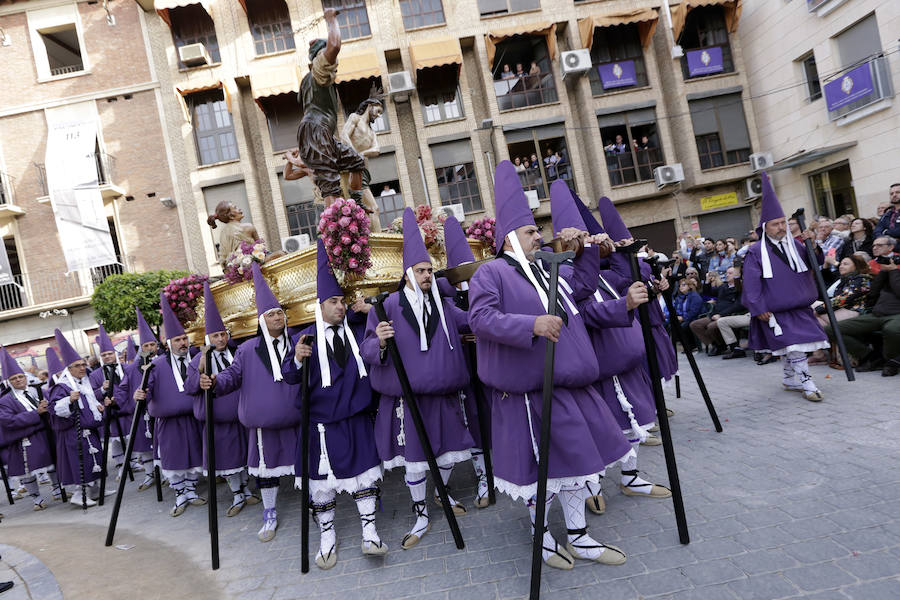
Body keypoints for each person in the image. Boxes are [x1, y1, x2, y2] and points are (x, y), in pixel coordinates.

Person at [468, 162, 633, 571]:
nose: (538, 235)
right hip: (527, 394)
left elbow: (580, 298)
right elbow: (480, 320)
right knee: (537, 473)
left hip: (568, 389)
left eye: (536, 229)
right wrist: (531, 325)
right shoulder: (490, 273)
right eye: (530, 231)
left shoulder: (547, 270)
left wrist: (615, 289)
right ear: (509, 238)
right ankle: (540, 537)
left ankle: (578, 537)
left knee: (577, 466)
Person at [359, 207, 474, 550]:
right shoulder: (388, 306)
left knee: (447, 451)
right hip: (406, 400)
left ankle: (443, 493)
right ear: (408, 274)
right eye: (422, 270)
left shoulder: (442, 304)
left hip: (443, 394)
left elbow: (471, 320)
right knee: (414, 457)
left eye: (430, 270)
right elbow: (365, 349)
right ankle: (421, 512)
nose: (428, 275)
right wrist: (378, 340)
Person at [556, 186, 671, 515]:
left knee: (632, 423)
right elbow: (587, 314)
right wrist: (625, 305)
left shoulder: (603, 272)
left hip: (627, 365)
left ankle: (630, 477)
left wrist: (619, 250)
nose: (592, 242)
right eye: (585, 238)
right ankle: (592, 484)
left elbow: (630, 278)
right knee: (603, 431)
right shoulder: (564, 275)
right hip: (600, 370)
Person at [280, 240, 385, 569]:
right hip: (319, 427)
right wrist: (297, 359)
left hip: (355, 419)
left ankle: (370, 533)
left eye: (342, 301)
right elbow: (288, 375)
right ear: (320, 305)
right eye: (333, 302)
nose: (340, 307)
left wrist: (371, 309)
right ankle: (327, 536)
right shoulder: (305, 338)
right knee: (322, 487)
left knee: (364, 478)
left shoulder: (357, 329)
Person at [199, 263, 301, 542]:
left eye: (280, 312)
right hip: (262, 426)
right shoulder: (246, 349)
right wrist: (216, 380)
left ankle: (316, 507)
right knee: (266, 472)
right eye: (271, 314)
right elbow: (232, 376)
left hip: (297, 420)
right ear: (261, 321)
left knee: (305, 466)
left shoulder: (298, 343)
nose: (278, 317)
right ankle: (269, 513)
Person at [741, 172, 829, 402]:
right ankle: (807, 383)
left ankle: (790, 378)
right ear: (765, 227)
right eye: (775, 224)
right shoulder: (754, 251)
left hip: (801, 306)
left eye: (783, 223)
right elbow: (750, 284)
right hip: (776, 310)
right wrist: (757, 307)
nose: (780, 227)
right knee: (794, 345)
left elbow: (816, 264)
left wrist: (813, 244)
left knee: (795, 345)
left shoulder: (797, 246)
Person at [184, 283, 257, 518]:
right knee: (227, 460)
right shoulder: (199, 359)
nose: (220, 338)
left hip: (241, 418)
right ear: (207, 337)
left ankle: (246, 489)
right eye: (215, 335)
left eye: (223, 334)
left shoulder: (237, 354)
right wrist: (201, 367)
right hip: (217, 422)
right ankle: (237, 493)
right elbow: (189, 387)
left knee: (245, 455)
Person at [134, 293, 205, 517]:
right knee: (174, 460)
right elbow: (148, 389)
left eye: (184, 339)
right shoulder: (155, 365)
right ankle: (180, 494)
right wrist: (141, 393)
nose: (183, 343)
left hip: (193, 418)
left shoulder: (197, 358)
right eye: (177, 340)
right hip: (168, 423)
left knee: (194, 456)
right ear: (168, 343)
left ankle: (191, 491)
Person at [440, 215, 491, 508]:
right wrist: (460, 338)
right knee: (469, 421)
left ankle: (491, 474)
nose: (465, 278)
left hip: (488, 366)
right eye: (460, 273)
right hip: (462, 370)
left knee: (487, 420)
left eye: (469, 271)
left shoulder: (487, 290)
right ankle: (479, 474)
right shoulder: (446, 300)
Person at [297, 9, 367, 205]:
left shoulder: (313, 80)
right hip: (316, 131)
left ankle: (355, 206)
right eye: (331, 61)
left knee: (356, 161)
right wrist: (331, 20)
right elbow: (335, 44)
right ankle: (336, 228)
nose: (335, 65)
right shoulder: (319, 67)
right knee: (330, 182)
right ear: (320, 56)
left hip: (322, 133)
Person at [48, 329, 106, 507]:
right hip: (74, 432)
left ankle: (94, 490)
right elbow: (55, 408)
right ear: (68, 369)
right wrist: (68, 400)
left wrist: (98, 407)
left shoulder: (84, 384)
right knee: (80, 462)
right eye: (78, 366)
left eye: (83, 364)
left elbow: (89, 403)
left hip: (89, 430)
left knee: (94, 460)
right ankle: (78, 495)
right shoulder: (62, 387)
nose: (83, 368)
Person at [0, 348, 61, 510]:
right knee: (28, 470)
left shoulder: (36, 391)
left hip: (44, 434)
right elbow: (9, 421)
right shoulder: (5, 400)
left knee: (52, 463)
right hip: (24, 438)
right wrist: (36, 413)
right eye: (14, 378)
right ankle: (37, 500)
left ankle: (57, 490)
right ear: (8, 382)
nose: (19, 380)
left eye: (21, 376)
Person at [826, 255, 899, 376]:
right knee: (831, 329)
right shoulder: (889, 273)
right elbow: (873, 292)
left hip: (896, 315)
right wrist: (883, 271)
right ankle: (870, 356)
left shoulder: (894, 272)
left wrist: (894, 271)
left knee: (891, 329)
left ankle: (892, 362)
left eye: (879, 245)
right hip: (877, 314)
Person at [114, 309, 159, 491]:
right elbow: (123, 389)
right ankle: (150, 474)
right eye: (146, 345)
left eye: (152, 344)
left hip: (160, 410)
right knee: (145, 446)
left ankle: (167, 474)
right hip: (141, 412)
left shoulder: (163, 362)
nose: (149, 348)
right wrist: (126, 401)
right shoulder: (132, 369)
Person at [690, 266, 746, 356]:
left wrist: (721, 315)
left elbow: (738, 306)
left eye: (730, 273)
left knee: (711, 327)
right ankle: (716, 344)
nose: (727, 275)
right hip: (715, 314)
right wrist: (707, 281)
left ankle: (721, 345)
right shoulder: (723, 286)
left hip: (729, 315)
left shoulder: (740, 288)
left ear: (737, 275)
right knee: (695, 325)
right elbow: (707, 293)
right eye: (727, 273)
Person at [672, 278, 703, 346]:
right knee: (671, 324)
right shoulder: (681, 297)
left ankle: (692, 345)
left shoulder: (694, 296)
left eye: (683, 285)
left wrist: (683, 318)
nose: (681, 287)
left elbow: (694, 312)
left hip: (694, 318)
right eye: (680, 285)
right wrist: (678, 316)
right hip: (685, 318)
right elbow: (678, 309)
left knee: (683, 326)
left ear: (689, 286)